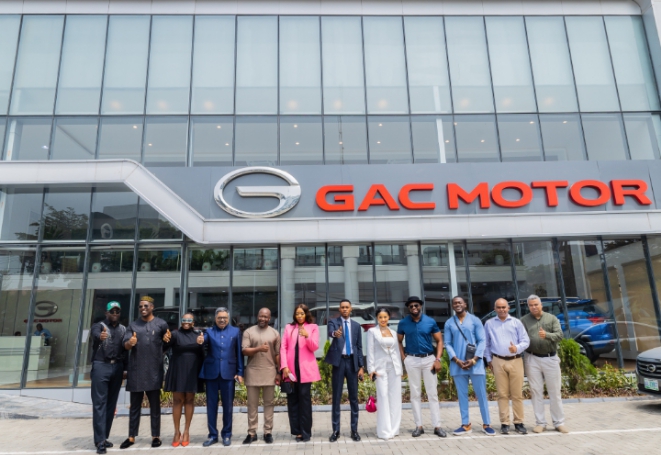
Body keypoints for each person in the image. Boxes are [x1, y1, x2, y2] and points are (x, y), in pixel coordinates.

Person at [120, 296, 171, 449]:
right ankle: (131, 436)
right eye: (141, 306)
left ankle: (156, 436)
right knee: (135, 406)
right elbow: (125, 345)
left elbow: (168, 343)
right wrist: (130, 343)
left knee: (155, 406)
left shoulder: (161, 324)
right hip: (136, 371)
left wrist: (167, 340)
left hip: (154, 371)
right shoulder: (133, 325)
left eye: (146, 306)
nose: (143, 308)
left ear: (152, 307)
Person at [444, 296, 495, 436]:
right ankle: (465, 424)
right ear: (452, 306)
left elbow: (482, 341)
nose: (457, 304)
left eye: (460, 302)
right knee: (462, 396)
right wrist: (456, 360)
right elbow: (447, 343)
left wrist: (474, 359)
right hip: (458, 365)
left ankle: (487, 424)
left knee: (481, 395)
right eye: (455, 303)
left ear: (465, 304)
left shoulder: (475, 320)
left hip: (475, 364)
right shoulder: (449, 323)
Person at [397, 296, 446, 438]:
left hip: (429, 360)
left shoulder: (430, 321)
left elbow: (439, 340)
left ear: (420, 306)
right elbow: (399, 341)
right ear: (408, 308)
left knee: (432, 393)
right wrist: (404, 358)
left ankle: (437, 426)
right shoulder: (403, 323)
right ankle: (419, 426)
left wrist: (437, 359)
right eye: (411, 306)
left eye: (416, 305)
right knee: (415, 394)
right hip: (412, 360)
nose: (414, 308)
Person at [521, 294, 568, 434]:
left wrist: (546, 335)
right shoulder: (524, 320)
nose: (534, 307)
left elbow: (560, 335)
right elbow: (521, 338)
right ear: (528, 306)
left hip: (550, 358)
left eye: (536, 304)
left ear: (541, 305)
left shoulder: (551, 318)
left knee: (555, 392)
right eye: (531, 305)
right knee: (536, 391)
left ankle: (559, 422)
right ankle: (540, 423)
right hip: (532, 358)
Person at [484, 298, 530, 435]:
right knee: (502, 394)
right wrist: (489, 360)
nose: (501, 310)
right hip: (498, 361)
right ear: (495, 309)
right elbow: (486, 344)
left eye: (504, 307)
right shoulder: (489, 323)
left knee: (517, 394)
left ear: (508, 308)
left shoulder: (516, 322)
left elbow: (526, 341)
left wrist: (516, 348)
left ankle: (519, 422)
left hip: (515, 360)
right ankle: (504, 423)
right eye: (499, 307)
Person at [199, 307, 244, 447]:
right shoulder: (209, 332)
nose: (222, 320)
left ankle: (227, 434)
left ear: (228, 318)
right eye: (219, 318)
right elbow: (204, 341)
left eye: (224, 317)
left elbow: (239, 353)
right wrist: (201, 340)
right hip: (211, 373)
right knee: (211, 406)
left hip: (229, 373)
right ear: (215, 318)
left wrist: (240, 372)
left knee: (228, 406)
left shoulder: (235, 331)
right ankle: (213, 435)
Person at [90, 301, 127, 454]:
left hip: (117, 367)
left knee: (111, 405)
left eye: (117, 311)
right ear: (106, 313)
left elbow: (125, 350)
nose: (115, 314)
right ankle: (99, 441)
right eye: (112, 311)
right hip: (101, 366)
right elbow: (95, 334)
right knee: (100, 404)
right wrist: (101, 336)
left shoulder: (123, 329)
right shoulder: (99, 326)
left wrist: (125, 369)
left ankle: (104, 437)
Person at [325, 299, 365, 442]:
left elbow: (359, 347)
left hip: (352, 362)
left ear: (351, 309)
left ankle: (354, 430)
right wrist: (335, 333)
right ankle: (336, 430)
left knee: (354, 398)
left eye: (347, 307)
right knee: (336, 397)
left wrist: (361, 366)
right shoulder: (333, 322)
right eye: (342, 307)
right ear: (339, 309)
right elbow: (331, 332)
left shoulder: (356, 326)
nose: (345, 309)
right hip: (339, 362)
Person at [163, 313, 204, 447]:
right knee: (177, 400)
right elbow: (164, 348)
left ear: (193, 322)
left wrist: (202, 344)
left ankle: (186, 431)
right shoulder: (175, 334)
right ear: (181, 321)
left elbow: (203, 354)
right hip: (178, 369)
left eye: (189, 320)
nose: (186, 321)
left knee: (189, 400)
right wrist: (165, 340)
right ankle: (176, 432)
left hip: (192, 370)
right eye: (184, 319)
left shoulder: (198, 335)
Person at [281, 304, 320, 442]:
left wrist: (307, 336)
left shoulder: (313, 327)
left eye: (302, 313)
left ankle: (306, 432)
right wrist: (284, 366)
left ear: (306, 314)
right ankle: (297, 432)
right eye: (297, 313)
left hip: (305, 370)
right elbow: (283, 347)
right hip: (291, 370)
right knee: (293, 401)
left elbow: (314, 347)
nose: (299, 316)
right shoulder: (289, 327)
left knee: (305, 400)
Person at [241, 308, 281, 445]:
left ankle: (267, 432)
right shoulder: (249, 332)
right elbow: (244, 351)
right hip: (253, 372)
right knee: (252, 404)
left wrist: (279, 372)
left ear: (269, 318)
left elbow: (277, 354)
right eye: (261, 316)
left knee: (269, 404)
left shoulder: (275, 333)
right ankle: (252, 433)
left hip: (269, 372)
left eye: (265, 316)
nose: (262, 318)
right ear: (257, 316)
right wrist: (259, 349)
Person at [366, 307, 402, 440]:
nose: (383, 319)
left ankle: (394, 429)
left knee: (395, 398)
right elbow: (370, 351)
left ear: (389, 318)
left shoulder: (393, 332)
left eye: (385, 317)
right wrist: (371, 369)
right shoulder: (372, 332)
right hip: (379, 369)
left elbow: (396, 351)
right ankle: (384, 431)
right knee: (383, 397)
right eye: (380, 317)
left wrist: (400, 369)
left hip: (394, 367)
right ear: (377, 318)